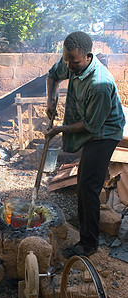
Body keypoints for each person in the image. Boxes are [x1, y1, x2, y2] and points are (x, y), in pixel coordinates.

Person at [45, 31, 125, 259]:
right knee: (84, 181)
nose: (69, 66)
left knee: (88, 185)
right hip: (90, 123)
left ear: (88, 56)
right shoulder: (71, 59)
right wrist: (50, 99)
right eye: (67, 60)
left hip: (105, 132)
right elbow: (52, 76)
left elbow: (91, 126)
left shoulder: (100, 85)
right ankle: (86, 221)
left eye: (75, 62)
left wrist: (61, 129)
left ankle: (89, 243)